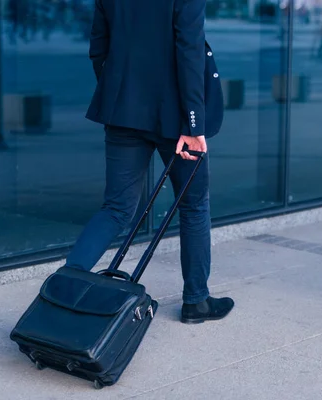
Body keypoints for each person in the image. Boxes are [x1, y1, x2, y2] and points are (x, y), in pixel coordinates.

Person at [64, 0, 234, 325]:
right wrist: (194, 125)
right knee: (193, 205)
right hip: (176, 120)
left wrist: (119, 93)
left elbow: (98, 47)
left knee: (115, 209)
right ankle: (196, 301)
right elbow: (189, 51)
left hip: (123, 110)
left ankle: (63, 289)